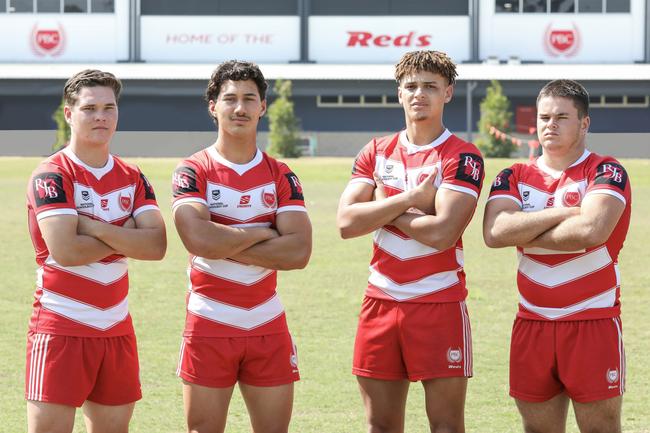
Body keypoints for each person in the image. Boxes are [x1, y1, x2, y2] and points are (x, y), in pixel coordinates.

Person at [336, 50, 484, 433]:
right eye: (411, 86)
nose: (420, 94)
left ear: (448, 93)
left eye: (431, 87)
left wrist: (382, 207)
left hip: (439, 301)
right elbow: (347, 222)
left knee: (446, 426)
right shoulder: (376, 150)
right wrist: (408, 201)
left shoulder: (462, 156)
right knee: (380, 426)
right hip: (380, 301)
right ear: (399, 93)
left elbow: (442, 233)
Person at [483, 79, 631, 433]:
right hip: (532, 324)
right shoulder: (514, 175)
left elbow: (591, 231)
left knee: (601, 429)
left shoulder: (606, 171)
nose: (550, 124)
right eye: (544, 117)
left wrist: (526, 228)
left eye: (562, 117)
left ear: (584, 123)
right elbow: (495, 232)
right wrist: (564, 213)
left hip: (592, 323)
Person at [171, 60, 312, 433]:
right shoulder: (193, 170)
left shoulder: (281, 173)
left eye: (250, 98)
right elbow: (197, 239)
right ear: (212, 105)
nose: (240, 108)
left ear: (263, 107)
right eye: (229, 98)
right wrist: (264, 233)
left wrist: (221, 240)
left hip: (267, 321)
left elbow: (298, 252)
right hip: (208, 321)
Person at [25, 69, 167, 433]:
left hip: (116, 329)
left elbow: (156, 245)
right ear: (69, 114)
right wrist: (126, 234)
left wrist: (91, 225)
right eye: (89, 108)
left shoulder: (133, 177)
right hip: (60, 329)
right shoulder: (51, 175)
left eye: (109, 107)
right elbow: (67, 249)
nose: (101, 116)